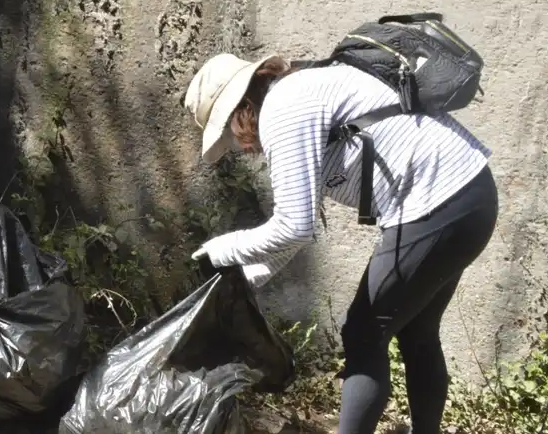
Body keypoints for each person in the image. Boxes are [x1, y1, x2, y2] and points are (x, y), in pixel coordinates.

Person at [184, 53, 497, 434]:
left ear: (240, 109)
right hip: (471, 196)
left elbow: (293, 227)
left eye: (229, 136)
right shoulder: (300, 92)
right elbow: (297, 231)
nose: (240, 147)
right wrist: (244, 283)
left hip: (437, 205)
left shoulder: (282, 110)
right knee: (416, 330)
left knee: (363, 334)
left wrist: (218, 251)